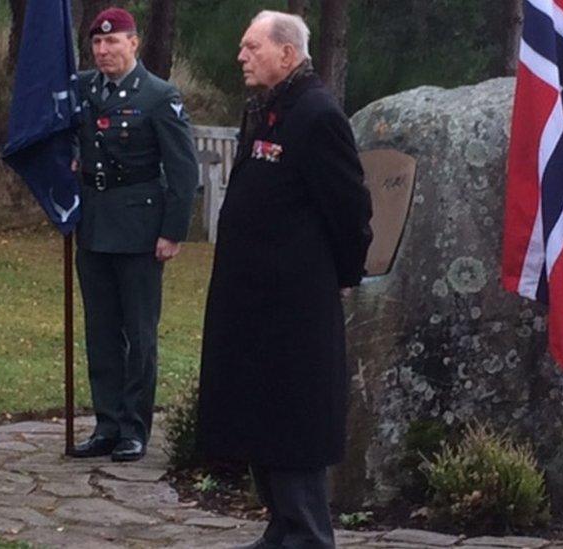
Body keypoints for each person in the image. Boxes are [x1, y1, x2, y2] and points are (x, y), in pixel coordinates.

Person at [195, 10, 373, 549]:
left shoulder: (317, 115)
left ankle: (306, 535)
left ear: (288, 54)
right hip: (254, 303)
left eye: (252, 47)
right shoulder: (269, 110)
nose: (241, 56)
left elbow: (350, 210)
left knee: (293, 427)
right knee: (261, 419)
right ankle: (281, 529)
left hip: (295, 305)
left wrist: (338, 277)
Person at [69, 7, 198, 462]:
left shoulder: (159, 96)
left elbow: (183, 171)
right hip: (94, 224)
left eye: (113, 42)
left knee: (139, 334)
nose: (104, 51)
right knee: (101, 331)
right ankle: (106, 424)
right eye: (97, 44)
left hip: (142, 229)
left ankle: (133, 428)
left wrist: (173, 232)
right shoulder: (82, 88)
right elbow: (66, 135)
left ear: (134, 43)